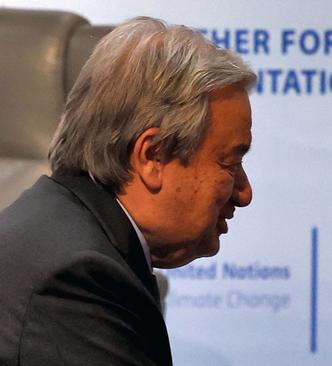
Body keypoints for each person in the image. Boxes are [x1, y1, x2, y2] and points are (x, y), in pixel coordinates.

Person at [0, 17, 256, 365]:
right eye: (229, 163)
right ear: (153, 156)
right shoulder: (75, 280)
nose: (244, 192)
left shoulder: (66, 230)